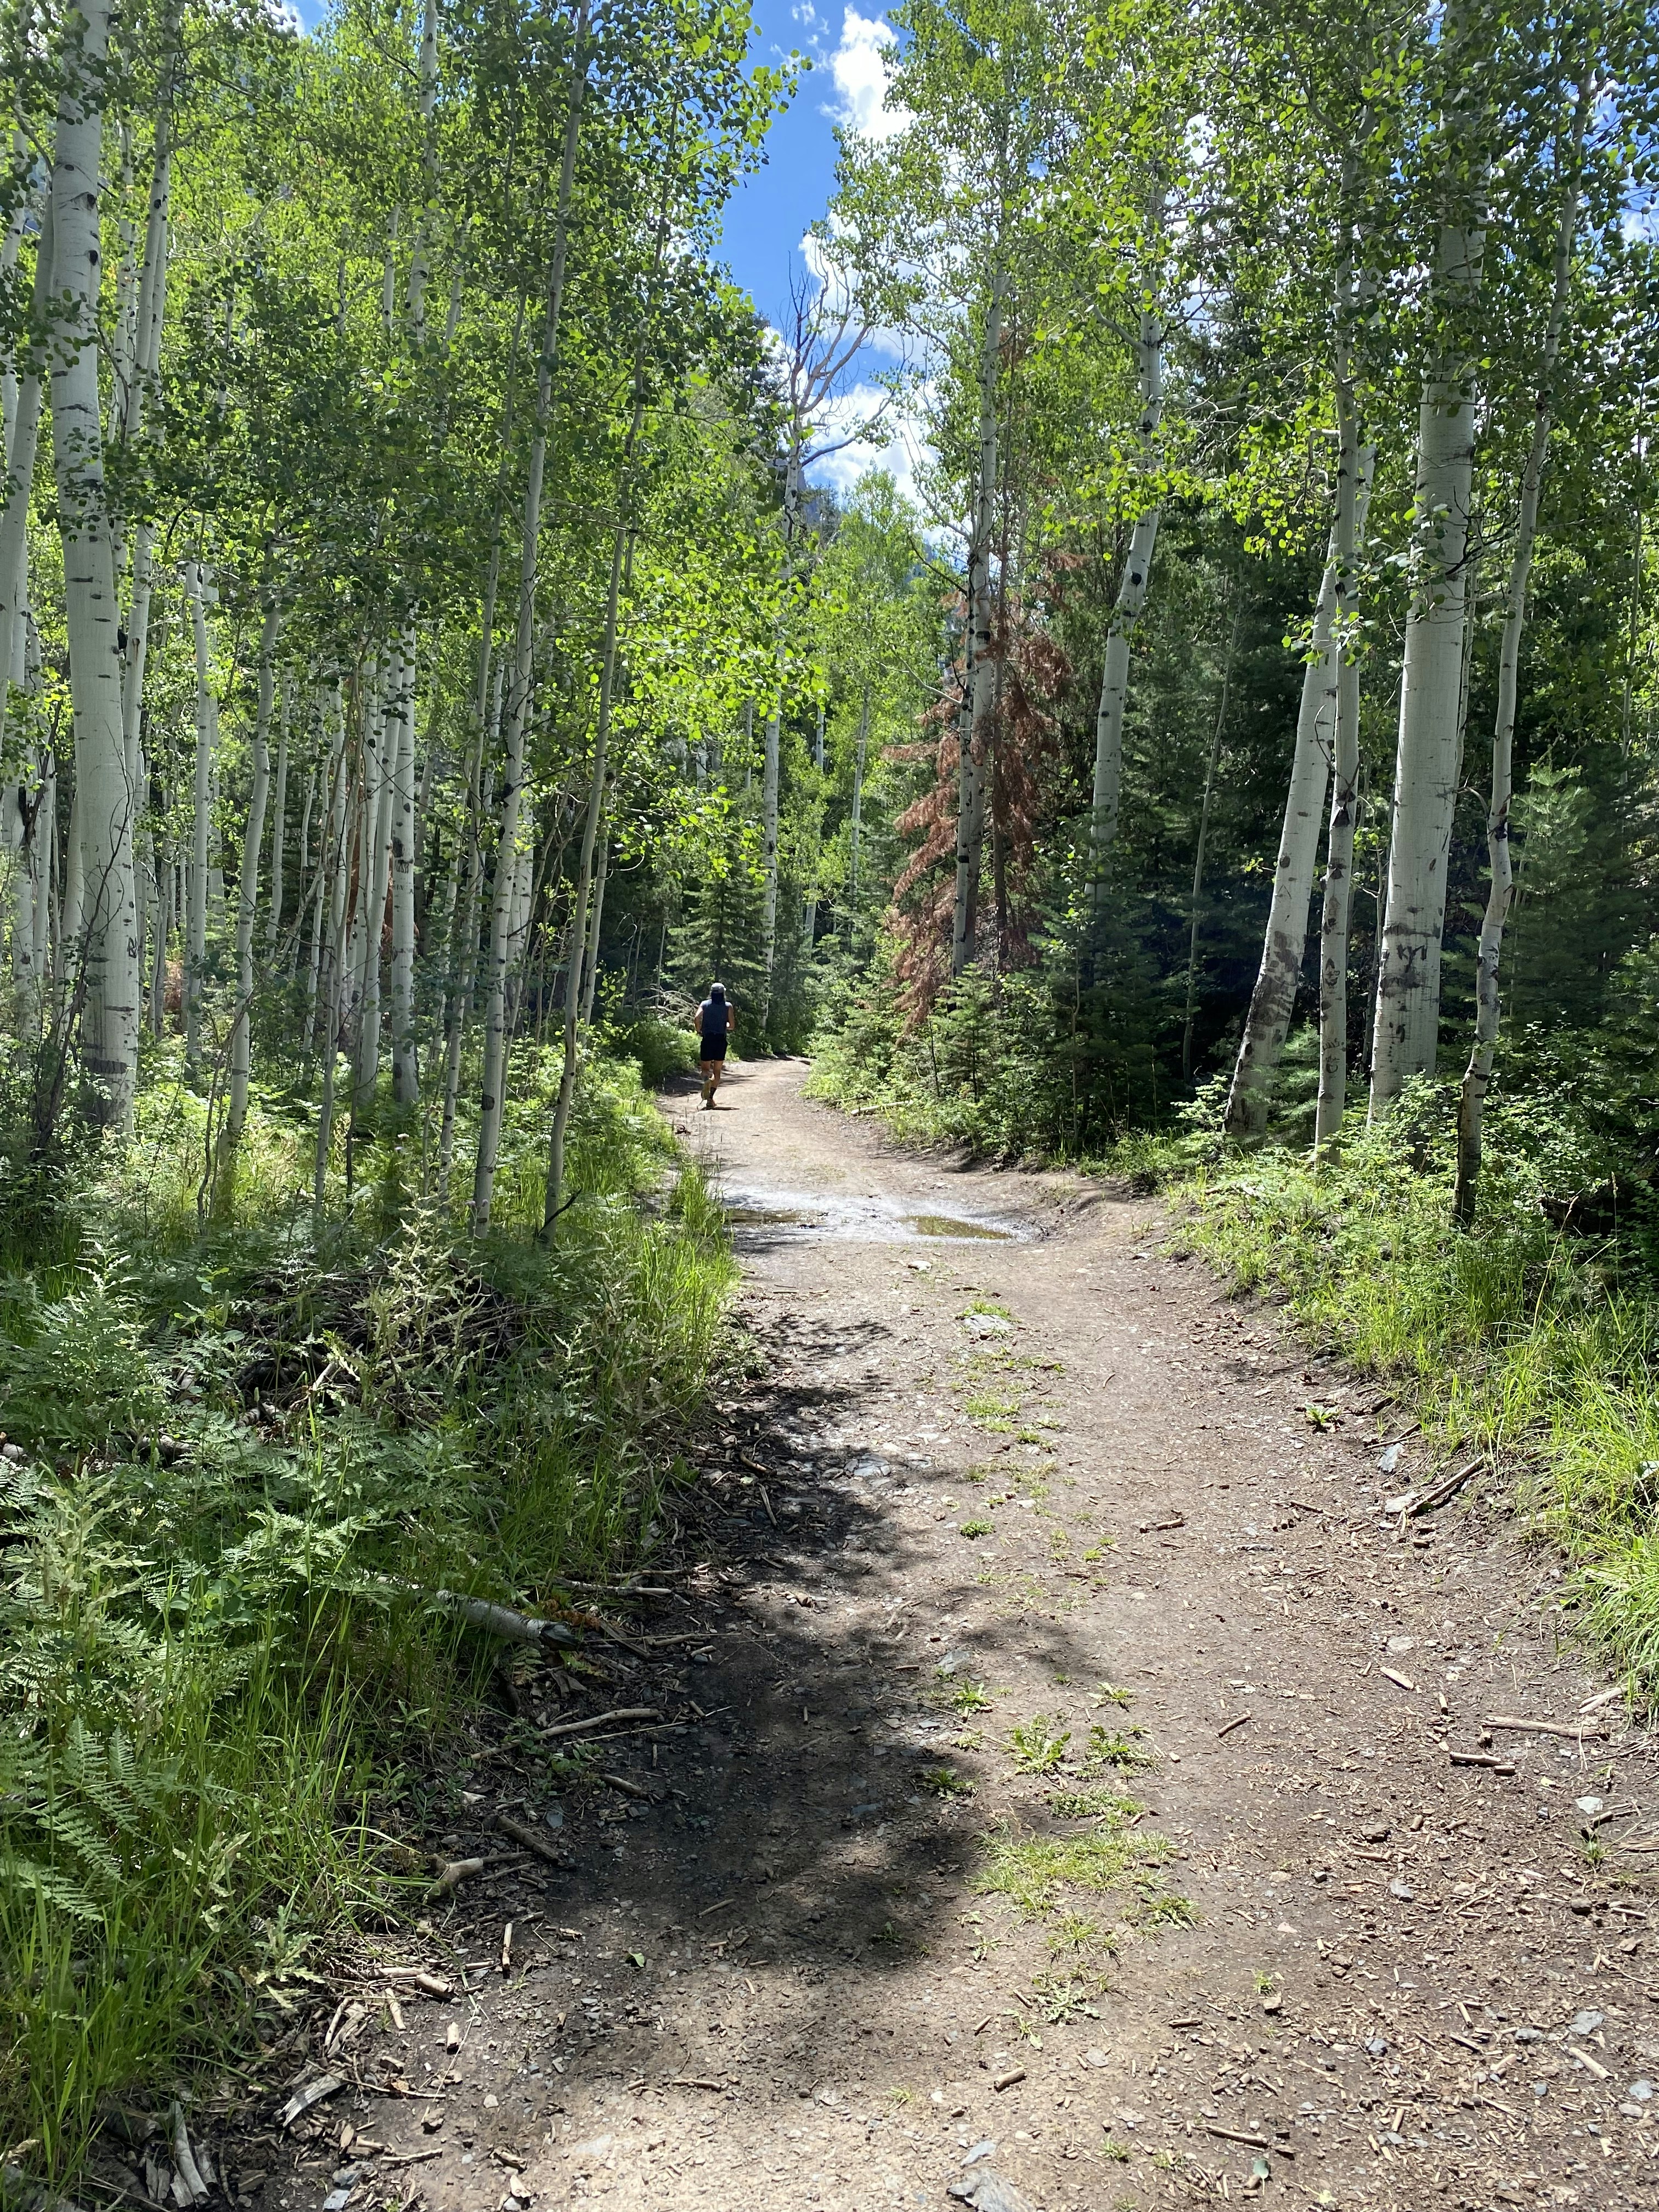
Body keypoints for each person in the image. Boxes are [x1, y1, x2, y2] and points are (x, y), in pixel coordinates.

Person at [697, 983, 733, 1107]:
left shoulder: (705, 1004)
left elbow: (697, 1017)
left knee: (705, 1069)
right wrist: (725, 1025)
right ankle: (710, 1099)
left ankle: (706, 1080)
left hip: (707, 1039)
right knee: (717, 1071)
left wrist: (699, 1029)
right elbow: (732, 1026)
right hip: (720, 1040)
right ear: (723, 993)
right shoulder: (728, 1006)